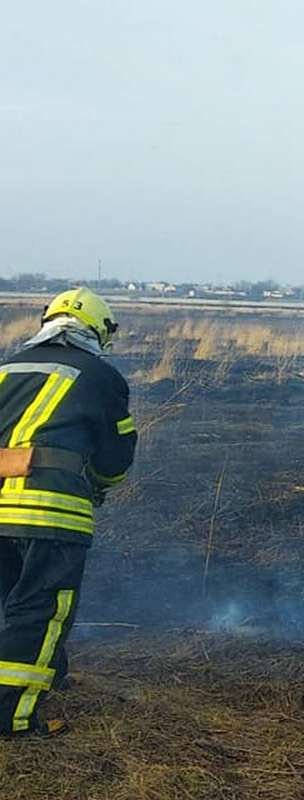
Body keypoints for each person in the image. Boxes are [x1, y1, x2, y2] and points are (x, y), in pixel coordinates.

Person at [0, 288, 136, 737]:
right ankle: (10, 718)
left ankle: (51, 672)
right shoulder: (101, 377)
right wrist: (99, 483)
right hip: (49, 512)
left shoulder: (5, 367)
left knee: (8, 603)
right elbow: (116, 458)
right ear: (97, 331)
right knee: (38, 608)